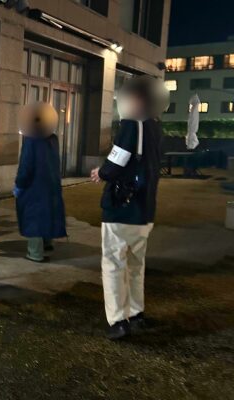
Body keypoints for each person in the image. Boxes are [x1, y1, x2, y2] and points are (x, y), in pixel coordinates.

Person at [90, 75, 168, 340]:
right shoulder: (155, 127)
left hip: (122, 208)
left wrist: (101, 172)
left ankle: (117, 321)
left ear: (136, 99)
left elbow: (118, 159)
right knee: (136, 265)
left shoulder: (131, 125)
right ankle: (136, 313)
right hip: (145, 210)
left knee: (113, 264)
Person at [13, 102, 67, 262]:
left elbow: (26, 166)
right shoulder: (53, 140)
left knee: (34, 218)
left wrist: (19, 185)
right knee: (47, 214)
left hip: (34, 187)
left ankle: (35, 253)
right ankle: (48, 244)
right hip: (50, 184)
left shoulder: (31, 141)